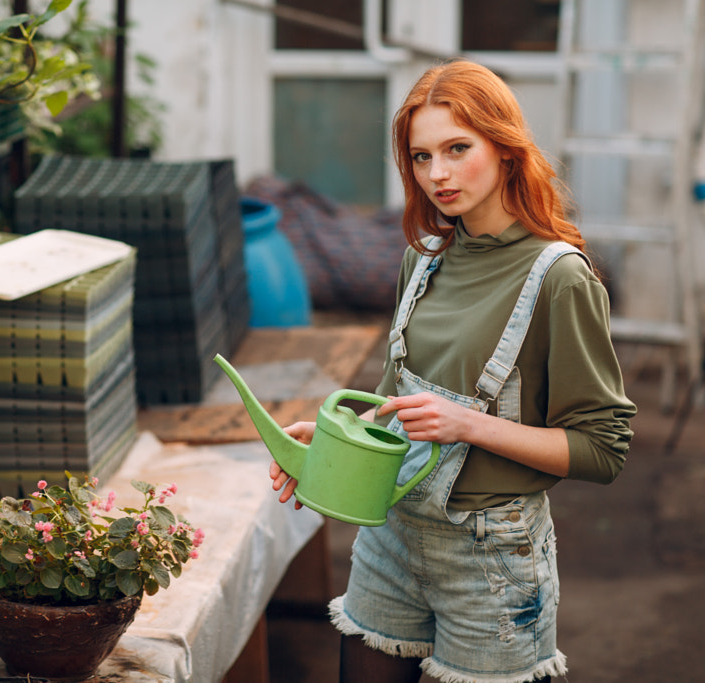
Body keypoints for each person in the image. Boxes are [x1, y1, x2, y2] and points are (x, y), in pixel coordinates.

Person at [269, 59, 636, 683]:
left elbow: (603, 450)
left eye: (457, 149)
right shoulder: (423, 260)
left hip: (491, 564)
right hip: (393, 539)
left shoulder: (560, 278)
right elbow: (395, 403)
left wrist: (470, 424)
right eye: (420, 157)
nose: (437, 174)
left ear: (505, 147)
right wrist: (332, 443)